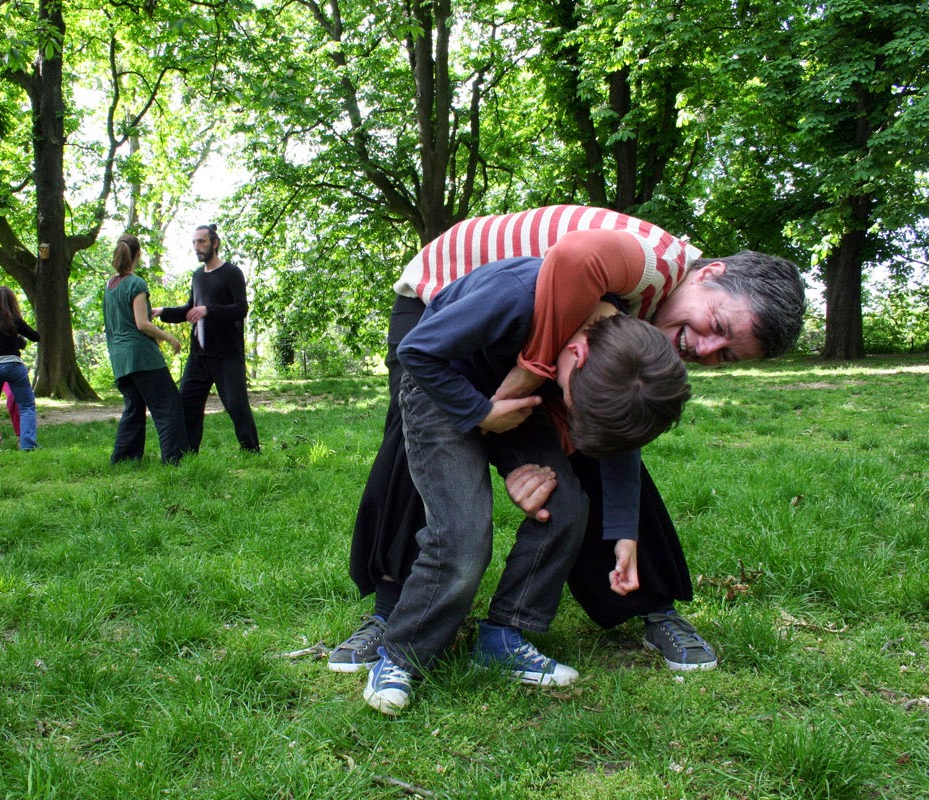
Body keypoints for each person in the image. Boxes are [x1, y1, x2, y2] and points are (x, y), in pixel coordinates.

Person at [331, 206, 805, 676]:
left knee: (608, 420)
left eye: (726, 356)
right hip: (442, 298)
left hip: (521, 331)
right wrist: (528, 374)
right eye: (718, 327)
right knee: (420, 439)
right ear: (710, 274)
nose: (704, 350)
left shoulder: (645, 325)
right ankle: (391, 610)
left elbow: (610, 433)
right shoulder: (658, 261)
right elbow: (577, 256)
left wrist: (613, 522)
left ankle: (648, 602)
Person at [363, 255, 692, 716]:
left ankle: (502, 636)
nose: (571, 414)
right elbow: (416, 352)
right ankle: (401, 656)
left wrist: (624, 534)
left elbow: (621, 446)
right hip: (439, 389)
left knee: (567, 507)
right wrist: (480, 414)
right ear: (576, 354)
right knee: (463, 537)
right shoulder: (515, 298)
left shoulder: (625, 353)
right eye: (576, 405)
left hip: (519, 399)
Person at [154, 224, 260, 453]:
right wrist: (162, 311)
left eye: (201, 241)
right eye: (194, 242)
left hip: (227, 354)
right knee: (187, 404)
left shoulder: (232, 273)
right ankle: (188, 452)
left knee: (236, 405)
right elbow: (189, 309)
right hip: (199, 355)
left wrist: (208, 310)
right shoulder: (197, 276)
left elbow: (241, 309)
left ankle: (251, 450)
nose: (197, 247)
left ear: (215, 243)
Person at [104, 234, 190, 465]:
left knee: (134, 408)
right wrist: (169, 338)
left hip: (120, 358)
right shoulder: (136, 284)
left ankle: (124, 459)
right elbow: (142, 324)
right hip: (142, 357)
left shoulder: (110, 285)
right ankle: (175, 459)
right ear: (138, 254)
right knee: (168, 407)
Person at [0, 287, 40, 450]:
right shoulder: (14, 320)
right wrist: (16, 334)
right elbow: (35, 337)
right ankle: (27, 444)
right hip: (13, 365)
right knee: (26, 406)